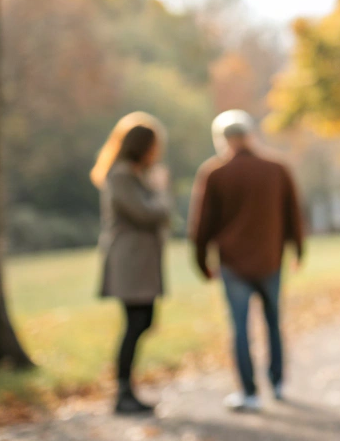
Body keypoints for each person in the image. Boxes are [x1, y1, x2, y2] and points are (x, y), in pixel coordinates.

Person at [188, 110, 305, 412]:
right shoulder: (277, 169)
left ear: (223, 139)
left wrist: (201, 261)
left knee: (240, 327)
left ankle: (249, 393)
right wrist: (299, 250)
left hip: (233, 263)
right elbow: (294, 213)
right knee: (272, 322)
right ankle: (277, 383)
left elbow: (202, 225)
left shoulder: (215, 173)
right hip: (270, 259)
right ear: (250, 134)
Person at [94, 112, 173, 417]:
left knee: (143, 321)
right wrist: (161, 190)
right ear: (143, 146)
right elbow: (147, 213)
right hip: (129, 261)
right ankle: (123, 391)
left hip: (140, 261)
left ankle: (127, 389)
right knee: (136, 323)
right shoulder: (122, 176)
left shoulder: (133, 175)